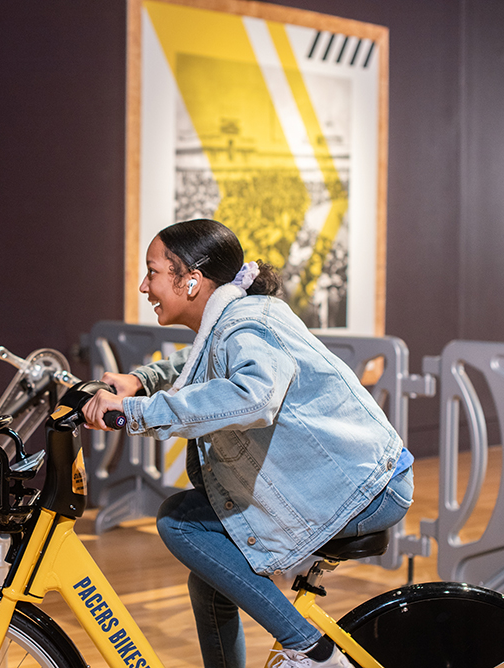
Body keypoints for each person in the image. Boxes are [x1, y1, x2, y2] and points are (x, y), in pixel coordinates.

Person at [83, 219, 414, 668]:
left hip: (365, 490)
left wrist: (137, 413)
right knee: (210, 576)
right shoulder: (234, 318)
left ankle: (311, 650)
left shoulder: (248, 323)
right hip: (354, 479)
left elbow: (253, 396)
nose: (145, 285)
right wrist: (140, 381)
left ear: (192, 279)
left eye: (153, 271)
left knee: (179, 524)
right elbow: (200, 359)